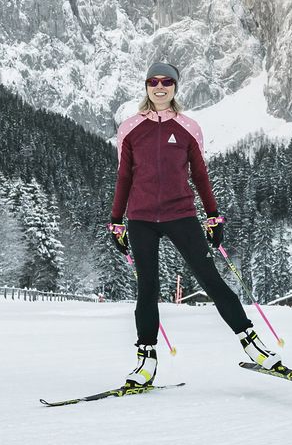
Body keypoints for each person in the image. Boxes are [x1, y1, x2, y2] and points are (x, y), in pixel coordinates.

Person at [108, 61, 281, 386]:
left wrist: (213, 216)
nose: (160, 87)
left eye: (167, 82)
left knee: (210, 279)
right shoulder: (130, 128)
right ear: (146, 86)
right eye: (154, 82)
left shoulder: (188, 127)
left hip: (181, 215)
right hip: (141, 218)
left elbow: (200, 175)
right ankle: (146, 360)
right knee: (147, 288)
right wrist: (116, 221)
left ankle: (252, 343)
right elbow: (124, 177)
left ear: (175, 87)